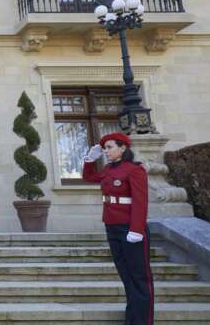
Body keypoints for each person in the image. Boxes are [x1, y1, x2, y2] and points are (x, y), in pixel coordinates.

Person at [83, 132, 153, 325]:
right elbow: (89, 178)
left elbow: (140, 201)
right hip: (112, 226)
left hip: (130, 228)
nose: (106, 151)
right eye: (105, 148)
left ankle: (143, 321)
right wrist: (90, 160)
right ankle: (132, 318)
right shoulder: (107, 169)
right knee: (126, 275)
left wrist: (137, 229)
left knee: (139, 277)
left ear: (123, 148)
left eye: (110, 147)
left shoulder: (134, 170)